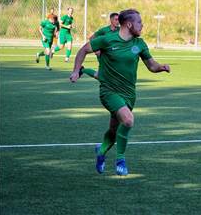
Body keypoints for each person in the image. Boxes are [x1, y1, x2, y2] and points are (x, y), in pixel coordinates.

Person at [70, 9, 170, 176]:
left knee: (114, 130)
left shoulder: (140, 44)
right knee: (129, 120)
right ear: (129, 24)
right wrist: (75, 71)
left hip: (129, 94)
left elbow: (152, 66)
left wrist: (161, 68)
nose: (142, 25)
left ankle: (101, 152)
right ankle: (120, 161)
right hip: (109, 92)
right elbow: (83, 50)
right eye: (139, 22)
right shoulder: (107, 39)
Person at [80, 12, 120, 79]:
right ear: (111, 20)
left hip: (114, 55)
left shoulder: (120, 30)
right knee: (103, 75)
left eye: (119, 20)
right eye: (116, 20)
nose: (118, 22)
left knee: (99, 75)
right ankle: (82, 70)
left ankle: (82, 70)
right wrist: (97, 50)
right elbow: (92, 38)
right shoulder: (104, 30)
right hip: (103, 55)